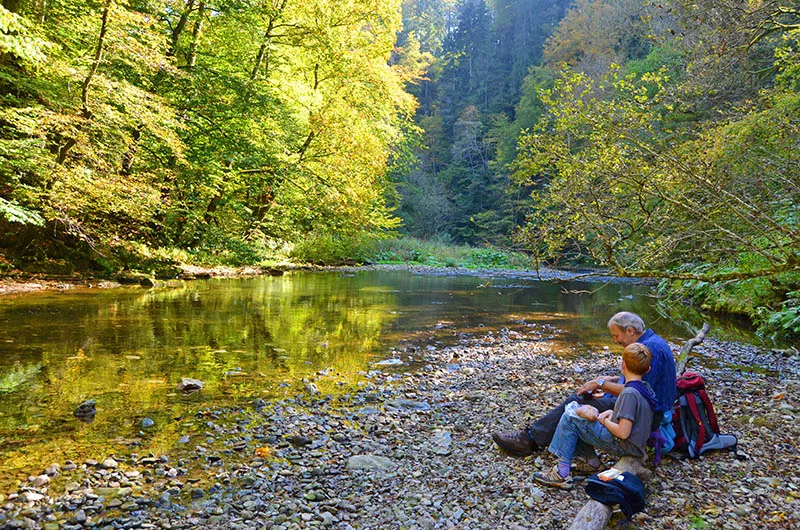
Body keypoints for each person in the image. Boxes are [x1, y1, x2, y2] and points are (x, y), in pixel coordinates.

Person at [492, 311, 676, 459]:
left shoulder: (651, 349)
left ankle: (529, 440)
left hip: (645, 416)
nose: (615, 340)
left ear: (629, 330)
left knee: (577, 402)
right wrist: (612, 379)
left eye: (616, 335)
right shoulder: (650, 343)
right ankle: (542, 438)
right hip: (639, 407)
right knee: (588, 398)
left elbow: (637, 392)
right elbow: (638, 380)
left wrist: (601, 384)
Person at [533, 342, 657, 489]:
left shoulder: (629, 393)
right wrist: (612, 413)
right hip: (636, 443)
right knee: (581, 416)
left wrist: (603, 421)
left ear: (623, 364)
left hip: (624, 445)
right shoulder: (644, 388)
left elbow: (623, 432)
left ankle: (562, 473)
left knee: (570, 417)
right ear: (648, 369)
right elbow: (635, 418)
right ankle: (591, 462)